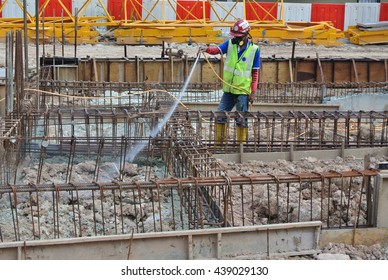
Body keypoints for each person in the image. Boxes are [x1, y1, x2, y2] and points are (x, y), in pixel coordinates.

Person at [199, 18, 260, 145]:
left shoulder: (254, 50)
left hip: (242, 92)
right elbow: (217, 50)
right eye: (235, 36)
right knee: (220, 116)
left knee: (241, 119)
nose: (236, 39)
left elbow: (255, 73)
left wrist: (253, 92)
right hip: (228, 90)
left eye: (238, 36)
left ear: (246, 35)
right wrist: (206, 49)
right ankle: (219, 144)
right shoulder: (230, 44)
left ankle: (241, 146)